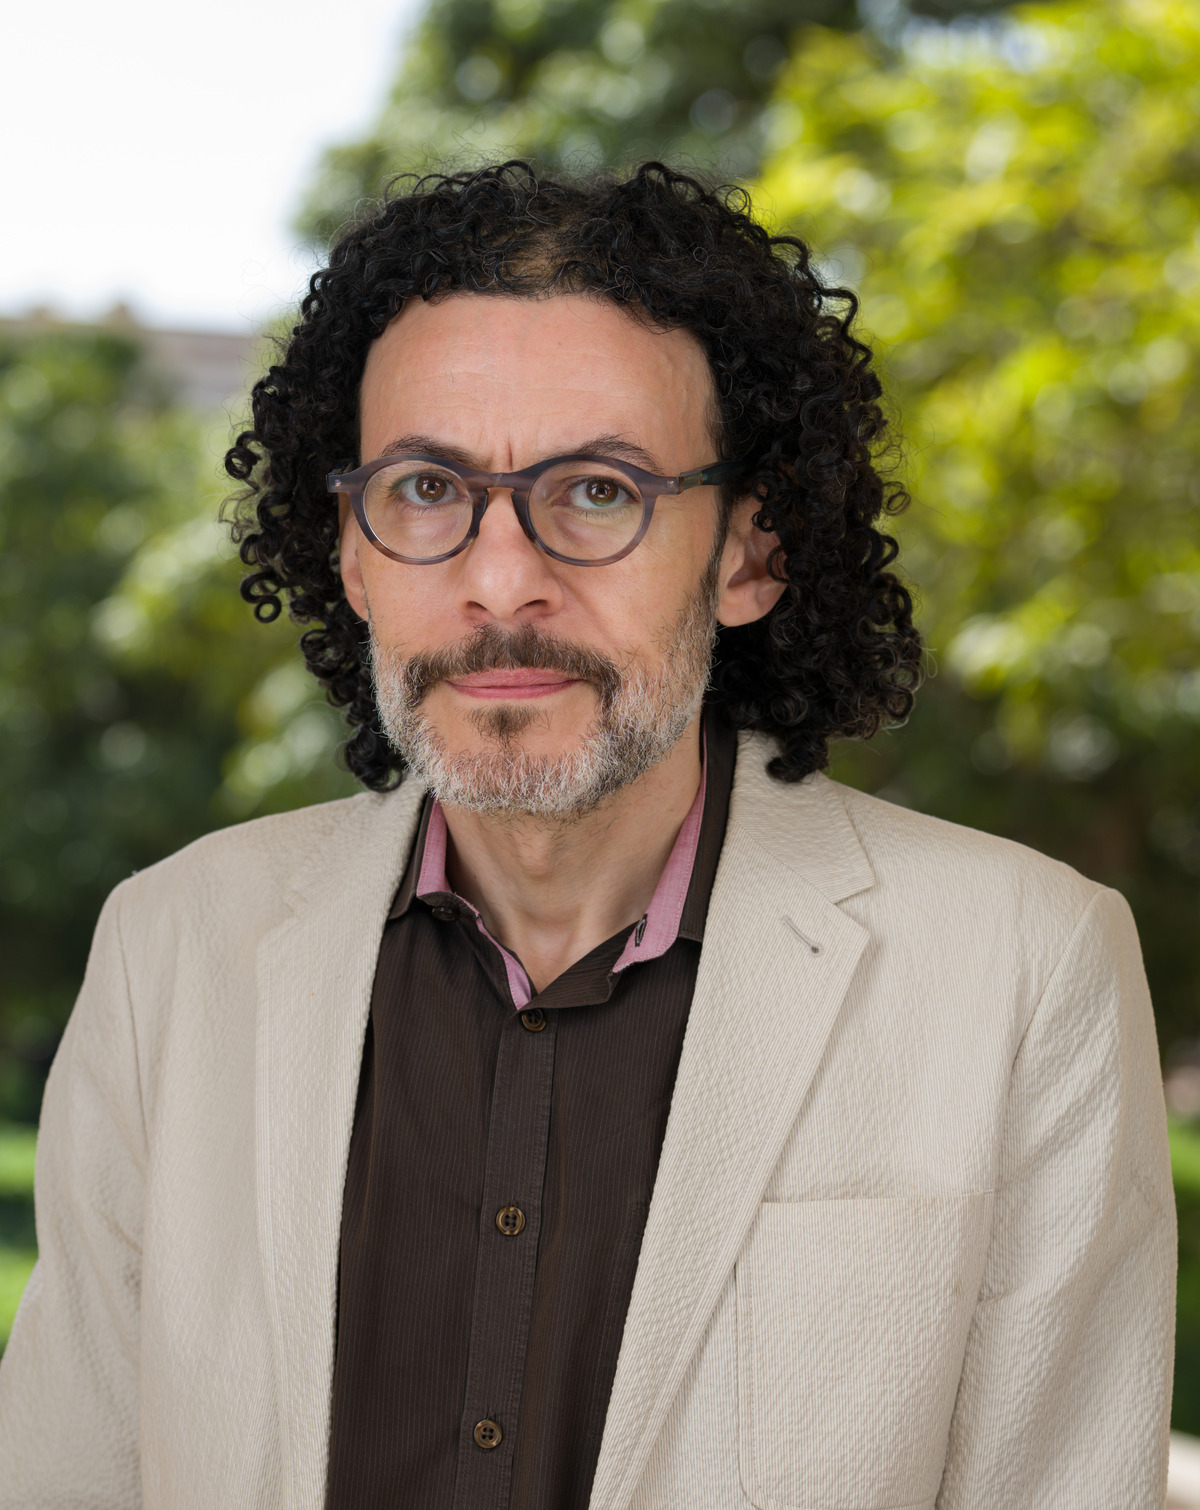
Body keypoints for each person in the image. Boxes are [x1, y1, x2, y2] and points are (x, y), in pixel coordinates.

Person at [0, 162, 1174, 1510]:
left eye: (602, 491)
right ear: (353, 553)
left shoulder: (1030, 969)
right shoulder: (169, 951)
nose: (503, 580)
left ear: (749, 551)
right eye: (429, 488)